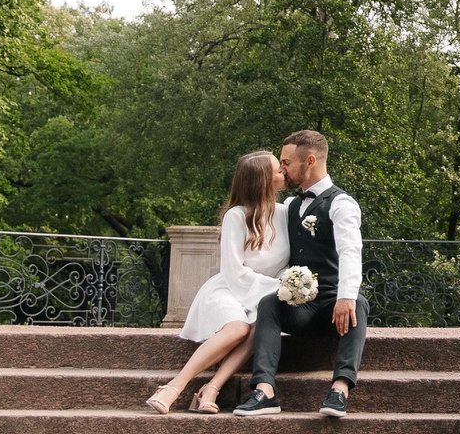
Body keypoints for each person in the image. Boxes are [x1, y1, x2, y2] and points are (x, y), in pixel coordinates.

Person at [232, 128, 365, 418]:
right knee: (269, 303)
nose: (281, 170)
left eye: (286, 163)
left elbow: (351, 253)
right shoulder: (290, 205)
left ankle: (340, 389)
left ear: (310, 161)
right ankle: (264, 391)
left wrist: (345, 297)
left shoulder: (342, 204)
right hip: (300, 305)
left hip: (332, 305)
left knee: (358, 303)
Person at [147, 150, 286, 414]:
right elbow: (235, 272)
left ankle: (211, 388)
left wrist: (288, 285)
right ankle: (173, 387)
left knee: (259, 326)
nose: (284, 173)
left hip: (262, 294)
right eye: (278, 170)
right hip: (229, 289)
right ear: (263, 180)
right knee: (237, 330)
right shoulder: (235, 216)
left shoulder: (285, 213)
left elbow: (288, 264)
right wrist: (279, 289)